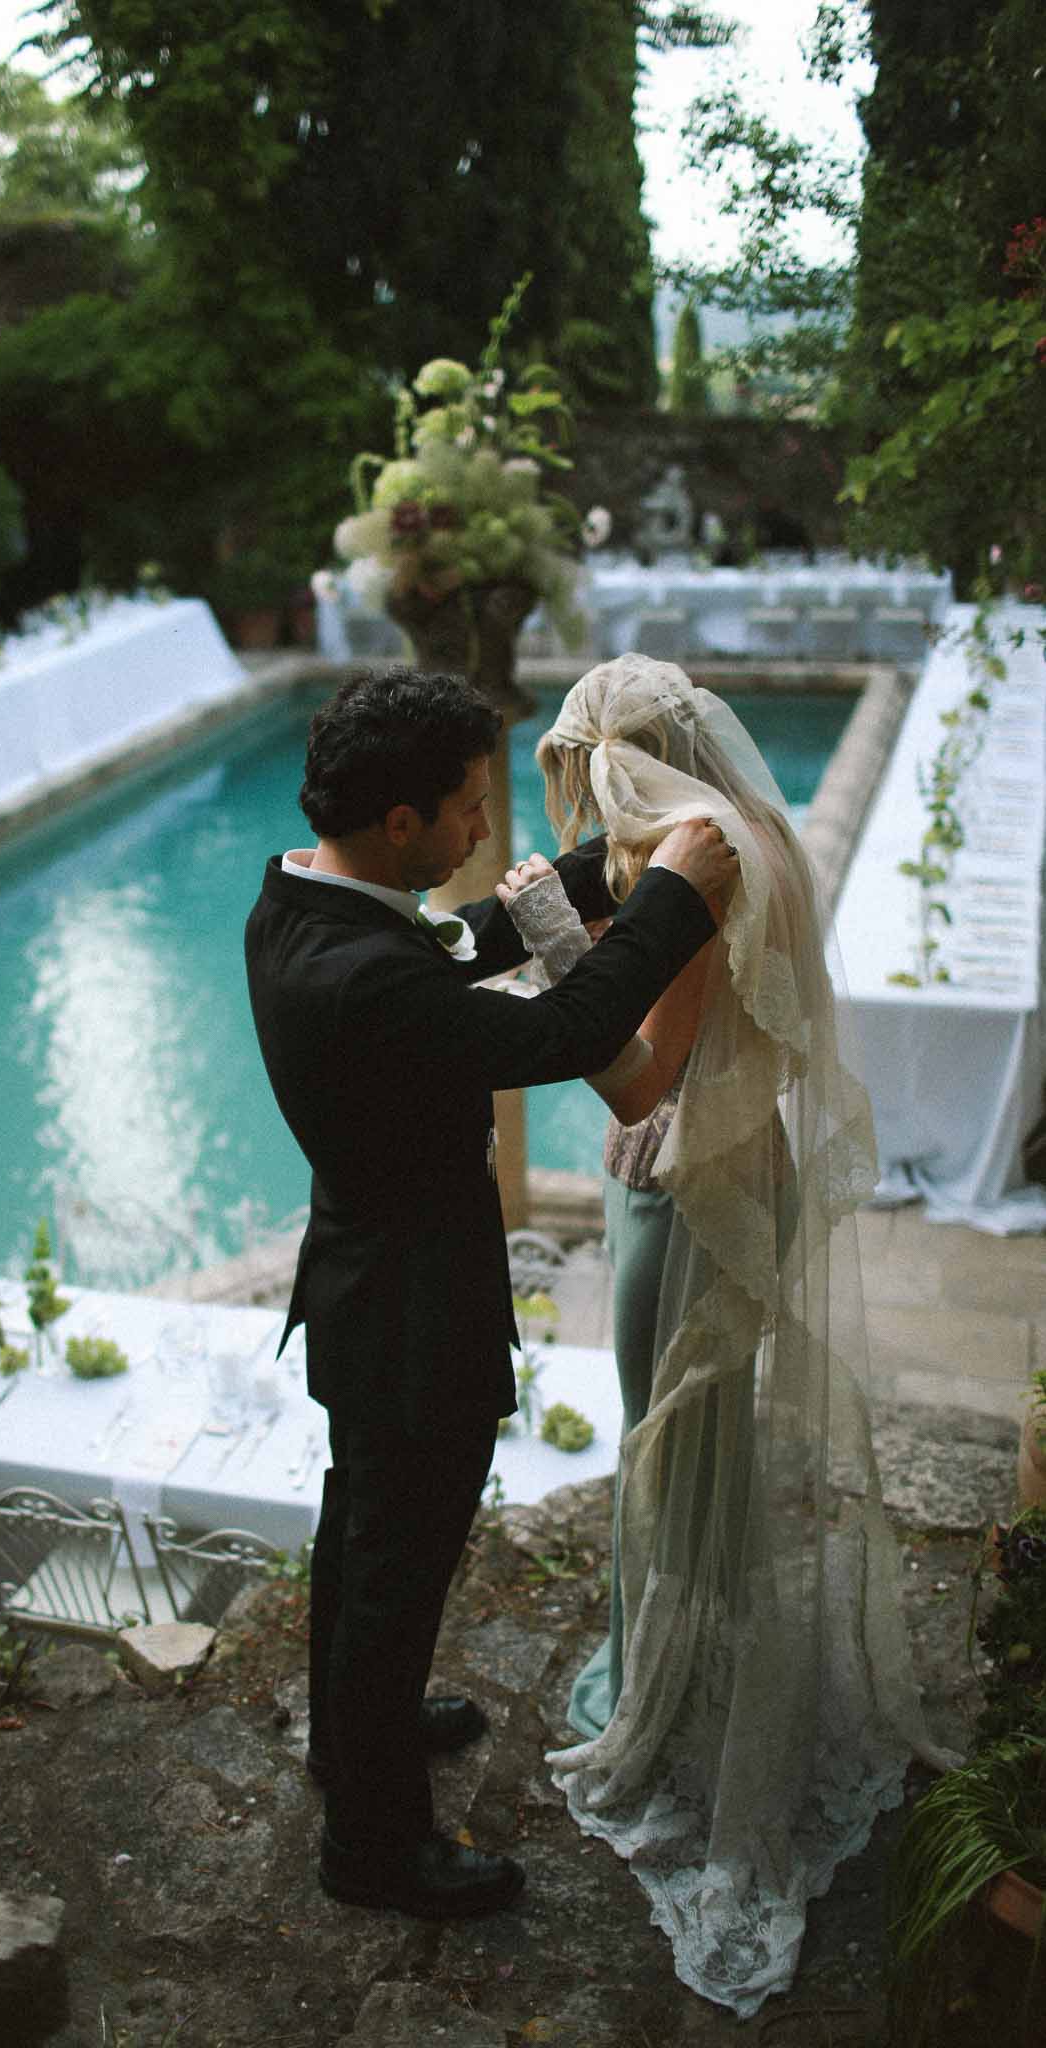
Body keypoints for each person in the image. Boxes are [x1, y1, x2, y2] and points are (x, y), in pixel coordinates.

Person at [244, 666, 738, 1923]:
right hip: (411, 1314)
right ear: (399, 823)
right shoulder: (364, 980)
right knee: (395, 1570)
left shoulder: (304, 899)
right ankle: (374, 1848)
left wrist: (600, 865)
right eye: (466, 810)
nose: (483, 833)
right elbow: (565, 1033)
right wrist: (676, 895)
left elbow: (462, 941)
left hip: (364, 1289)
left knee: (363, 1540)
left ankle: (359, 1730)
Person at [497, 653, 950, 2012]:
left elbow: (641, 1070)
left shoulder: (691, 878)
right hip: (751, 1170)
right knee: (706, 1435)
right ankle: (705, 1664)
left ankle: (673, 1698)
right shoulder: (760, 839)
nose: (583, 814)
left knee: (666, 1429)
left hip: (682, 1187)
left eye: (587, 779)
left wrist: (552, 940)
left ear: (624, 761)